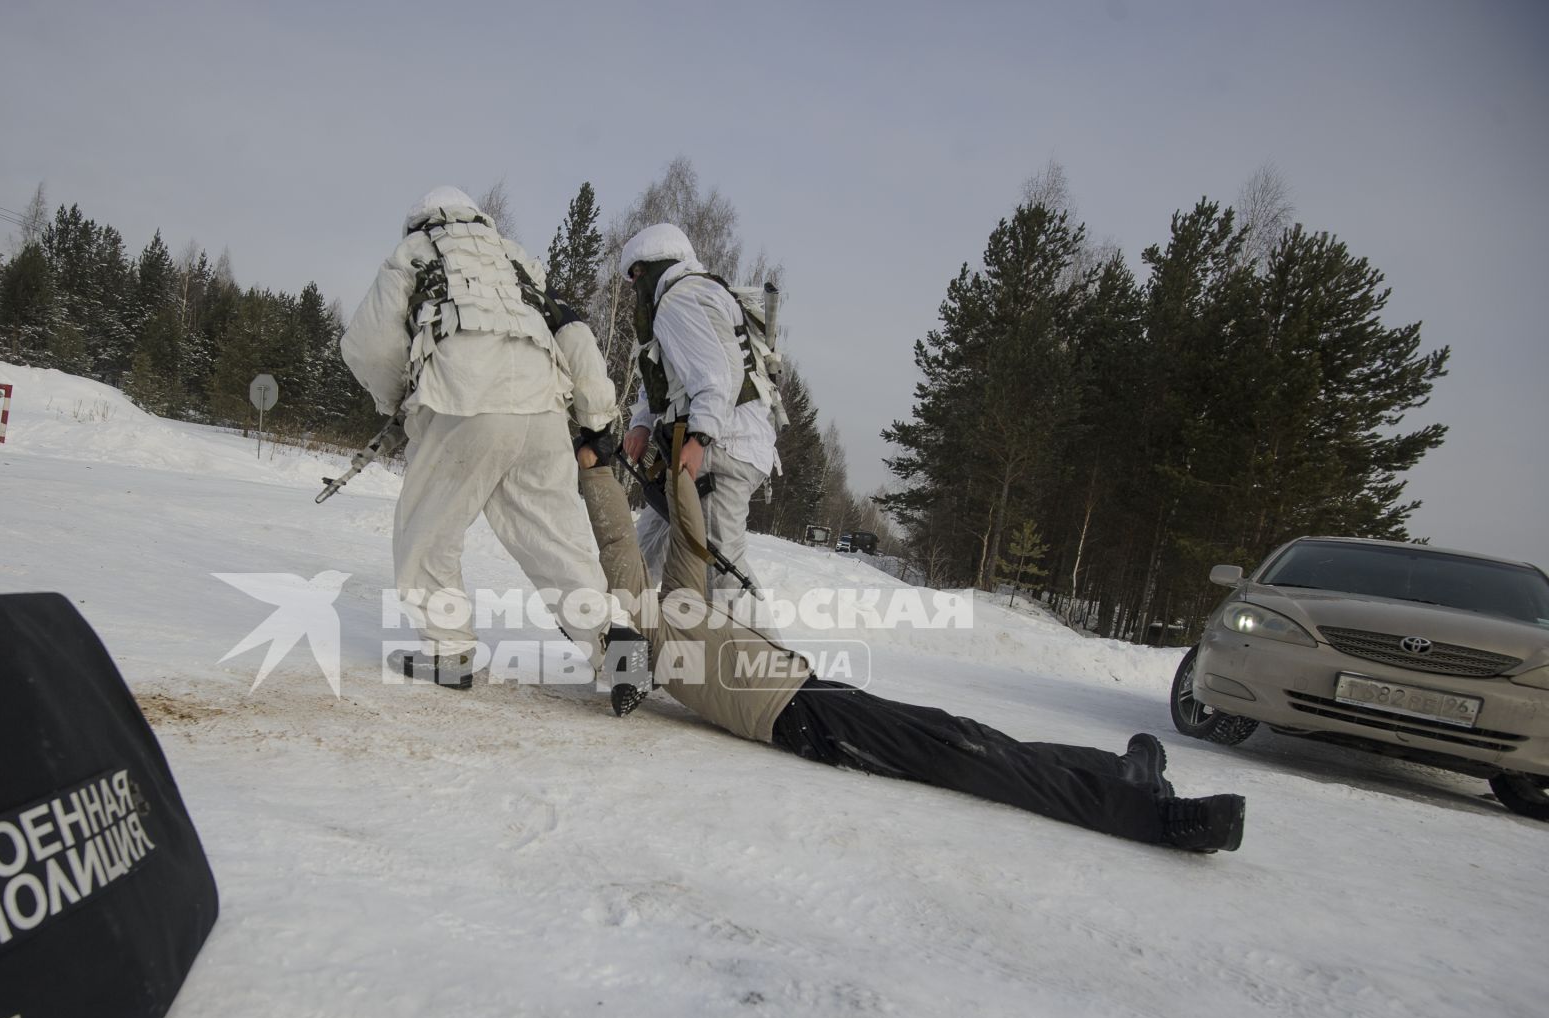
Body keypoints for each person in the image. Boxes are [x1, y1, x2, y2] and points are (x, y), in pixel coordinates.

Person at [565, 437, 1248, 853]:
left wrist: (679, 470)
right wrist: (595, 467)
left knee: (968, 736)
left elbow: (688, 539)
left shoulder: (677, 604)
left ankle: (1118, 772)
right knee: (969, 757)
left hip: (815, 694)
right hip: (808, 723)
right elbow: (622, 548)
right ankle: (1156, 818)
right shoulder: (643, 630)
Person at [341, 186, 639, 691]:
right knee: (556, 540)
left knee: (427, 531)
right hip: (544, 409)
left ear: (421, 222)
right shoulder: (517, 262)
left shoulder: (412, 255)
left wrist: (401, 402)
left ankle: (449, 651)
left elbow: (370, 345)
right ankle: (615, 646)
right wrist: (596, 417)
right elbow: (576, 333)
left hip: (465, 404)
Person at [617, 223, 778, 598]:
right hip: (707, 449)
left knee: (719, 571)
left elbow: (719, 375)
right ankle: (626, 640)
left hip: (721, 451)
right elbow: (664, 376)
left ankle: (766, 657)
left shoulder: (680, 300)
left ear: (655, 265)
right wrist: (641, 423)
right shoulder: (689, 296)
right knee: (646, 553)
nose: (634, 285)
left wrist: (701, 437)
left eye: (637, 273)